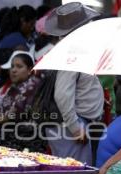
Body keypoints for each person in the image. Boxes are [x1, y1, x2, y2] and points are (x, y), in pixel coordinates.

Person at [42, 2, 104, 165]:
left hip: (70, 123)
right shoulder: (71, 51)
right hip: (71, 126)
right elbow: (62, 94)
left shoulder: (70, 49)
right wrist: (76, 129)